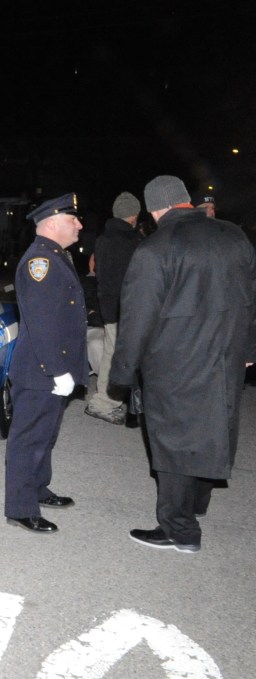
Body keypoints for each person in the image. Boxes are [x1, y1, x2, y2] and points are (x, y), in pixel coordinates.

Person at [111, 175, 256, 553]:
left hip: (175, 362)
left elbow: (137, 318)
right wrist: (249, 346)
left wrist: (123, 373)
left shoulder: (156, 248)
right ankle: (197, 505)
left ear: (155, 208)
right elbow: (252, 297)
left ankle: (180, 530)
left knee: (173, 442)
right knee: (213, 426)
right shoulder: (234, 236)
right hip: (226, 356)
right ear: (186, 202)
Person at [5, 193, 89, 533]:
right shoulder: (40, 262)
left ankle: (38, 488)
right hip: (42, 369)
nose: (80, 224)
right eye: (73, 219)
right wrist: (57, 371)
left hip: (53, 368)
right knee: (29, 439)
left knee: (45, 435)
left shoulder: (55, 256)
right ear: (53, 223)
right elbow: (42, 324)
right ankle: (21, 508)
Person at [85, 191, 142, 425]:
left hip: (108, 306)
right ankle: (106, 403)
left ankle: (107, 400)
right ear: (134, 216)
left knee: (111, 352)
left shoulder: (103, 240)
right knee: (121, 356)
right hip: (129, 309)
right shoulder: (134, 242)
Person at [81, 253, 105, 375]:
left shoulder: (111, 282)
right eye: (93, 260)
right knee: (96, 343)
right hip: (92, 326)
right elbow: (81, 310)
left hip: (109, 325)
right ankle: (108, 386)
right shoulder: (81, 283)